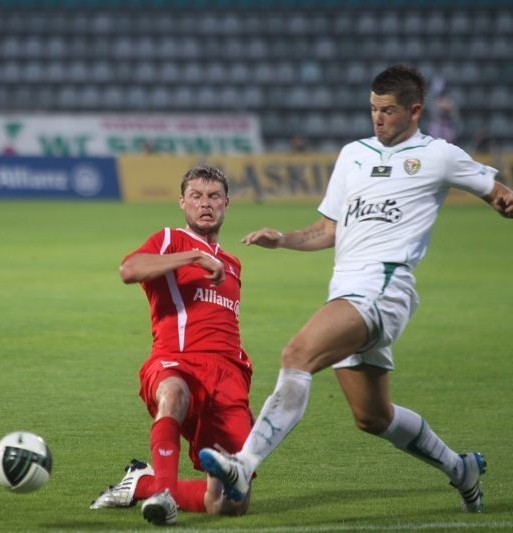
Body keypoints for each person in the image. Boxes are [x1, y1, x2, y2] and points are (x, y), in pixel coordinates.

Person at [199, 64, 513, 513]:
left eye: (387, 110)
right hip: (346, 291)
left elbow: (494, 188)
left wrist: (503, 199)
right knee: (373, 417)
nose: (377, 118)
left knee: (295, 355)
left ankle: (242, 466)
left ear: (414, 111)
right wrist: (284, 239)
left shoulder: (439, 155)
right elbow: (330, 229)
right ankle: (460, 468)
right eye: (372, 109)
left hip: (385, 288)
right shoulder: (353, 155)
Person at [90, 165, 254, 525]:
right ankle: (163, 494)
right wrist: (193, 257)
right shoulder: (171, 240)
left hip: (227, 378)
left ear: (227, 203)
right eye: (196, 196)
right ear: (183, 202)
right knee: (174, 394)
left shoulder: (233, 264)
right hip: (175, 361)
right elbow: (128, 270)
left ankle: (143, 483)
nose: (205, 204)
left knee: (229, 502)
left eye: (213, 196)